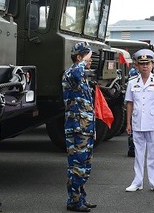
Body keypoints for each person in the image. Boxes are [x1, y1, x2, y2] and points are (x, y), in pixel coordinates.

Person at [124, 49, 154, 193]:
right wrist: (128, 123)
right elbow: (129, 103)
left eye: (147, 63)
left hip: (153, 121)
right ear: (136, 65)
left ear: (152, 64)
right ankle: (137, 181)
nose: (145, 66)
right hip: (137, 122)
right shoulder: (132, 82)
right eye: (142, 63)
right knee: (138, 153)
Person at [62, 42, 96, 212]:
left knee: (85, 166)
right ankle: (74, 201)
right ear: (79, 57)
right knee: (77, 165)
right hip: (76, 128)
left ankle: (80, 197)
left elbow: (88, 106)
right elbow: (76, 70)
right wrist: (84, 58)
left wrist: (93, 129)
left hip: (86, 129)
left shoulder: (83, 77)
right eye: (88, 56)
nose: (91, 60)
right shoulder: (71, 72)